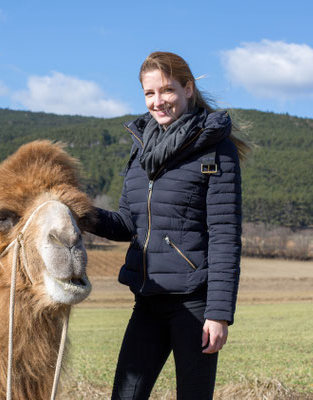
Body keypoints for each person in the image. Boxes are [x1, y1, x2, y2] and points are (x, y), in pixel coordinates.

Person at [89, 51, 247, 400]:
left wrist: (219, 315)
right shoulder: (141, 150)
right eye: (149, 94)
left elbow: (224, 236)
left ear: (188, 89)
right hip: (147, 301)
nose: (158, 102)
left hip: (194, 305)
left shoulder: (215, 150)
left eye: (167, 91)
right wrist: (81, 213)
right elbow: (127, 223)